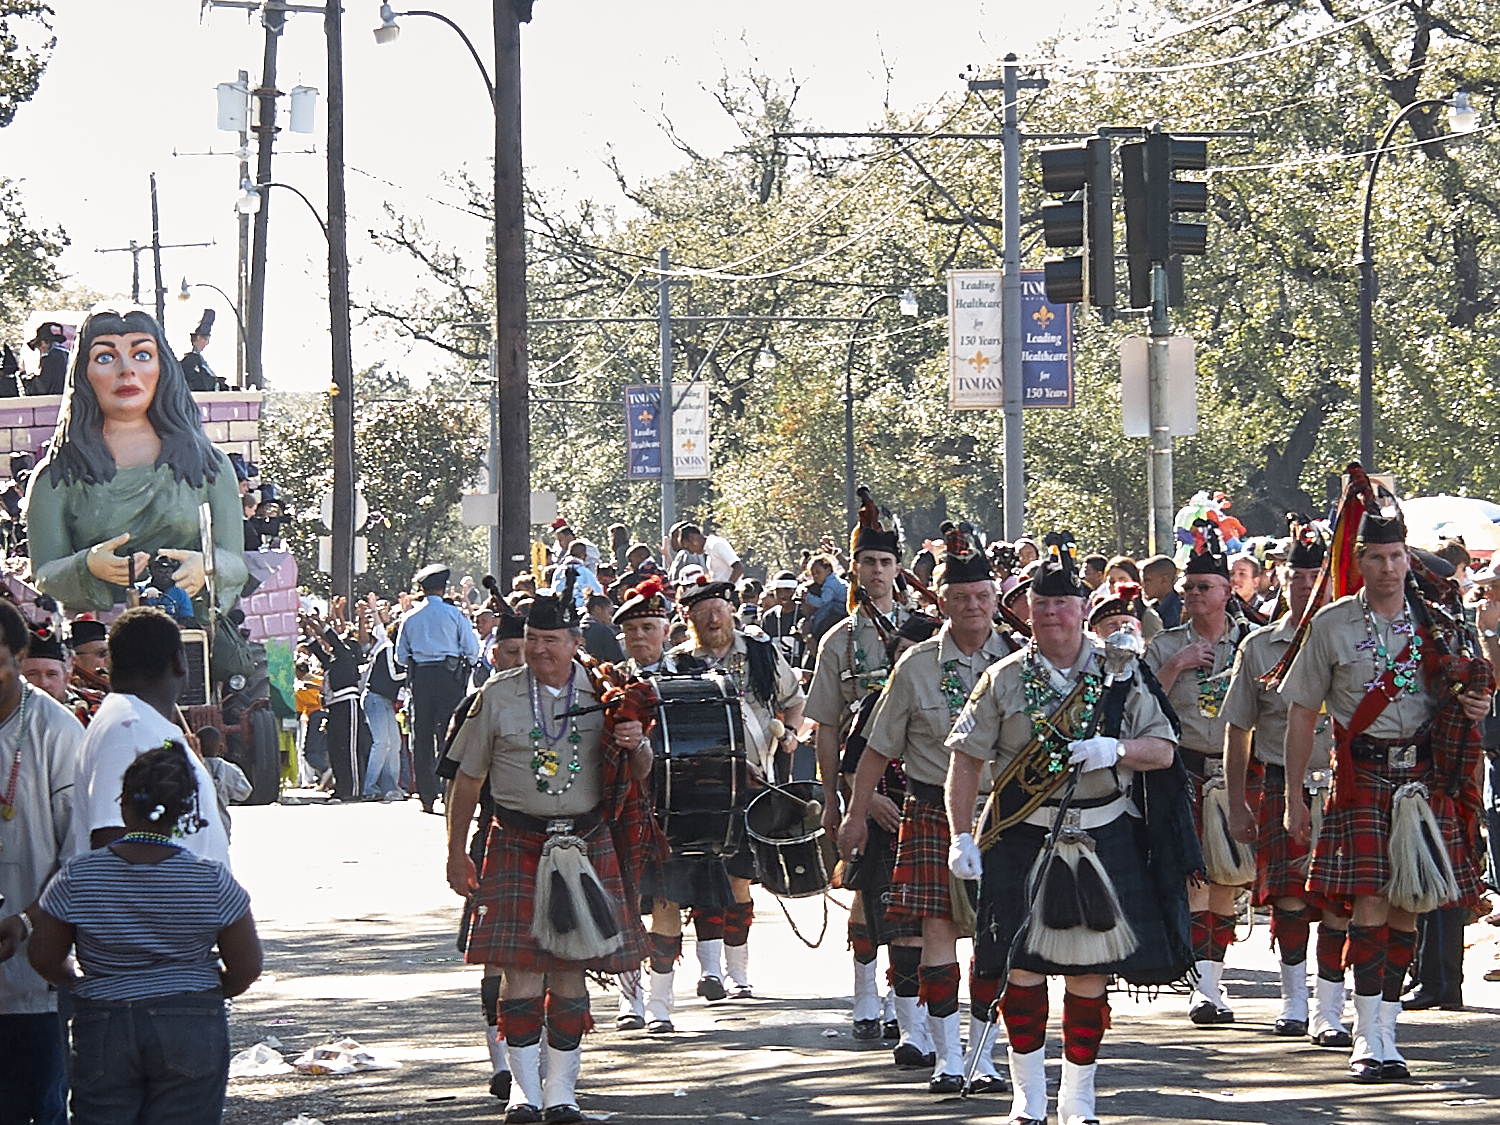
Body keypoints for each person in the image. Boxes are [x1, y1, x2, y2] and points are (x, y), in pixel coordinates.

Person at [945, 534, 1189, 1125]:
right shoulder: (1003, 678)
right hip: (1024, 835)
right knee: (1020, 965)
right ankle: (1028, 1097)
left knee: (1089, 973)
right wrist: (961, 835)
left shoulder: (1123, 675)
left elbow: (1164, 749)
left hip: (1105, 834)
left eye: (1064, 603)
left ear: (1084, 609)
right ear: (1026, 610)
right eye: (1041, 603)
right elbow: (967, 759)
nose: (1052, 613)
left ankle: (1079, 1098)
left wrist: (1117, 748)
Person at [1280, 477, 1489, 1082]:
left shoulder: (1440, 621)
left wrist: (1474, 706)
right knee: (1368, 902)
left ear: (1407, 558)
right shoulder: (1331, 624)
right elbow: (1301, 714)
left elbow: (1469, 690)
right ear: (1359, 561)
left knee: (1408, 907)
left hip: (1425, 777)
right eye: (1376, 556)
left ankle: (1387, 1032)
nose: (1389, 567)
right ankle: (1366, 1039)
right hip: (1363, 777)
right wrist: (1294, 796)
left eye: (1397, 556)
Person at [444, 584, 652, 1124]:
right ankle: (523, 1092)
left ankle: (561, 1093)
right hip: (515, 840)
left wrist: (637, 742)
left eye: (551, 640)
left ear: (574, 641)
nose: (539, 650)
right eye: (532, 639)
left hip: (584, 842)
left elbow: (642, 771)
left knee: (569, 974)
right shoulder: (497, 694)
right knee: (520, 972)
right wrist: (455, 852)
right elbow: (467, 782)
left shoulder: (608, 692)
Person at [841, 522, 1014, 1094]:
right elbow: (874, 751)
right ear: (941, 601)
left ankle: (985, 1057)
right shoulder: (914, 666)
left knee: (997, 938)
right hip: (932, 813)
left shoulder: (1016, 661)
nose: (972, 607)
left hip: (1005, 817)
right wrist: (854, 814)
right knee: (936, 933)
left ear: (996, 599)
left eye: (982, 597)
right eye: (960, 598)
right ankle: (947, 1057)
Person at [26, 743, 262, 1125]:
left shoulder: (78, 876)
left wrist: (77, 981)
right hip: (191, 1021)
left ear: (123, 807)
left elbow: (43, 956)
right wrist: (200, 988)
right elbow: (247, 966)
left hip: (104, 1022)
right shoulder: (212, 880)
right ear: (185, 813)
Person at [23, 308, 250, 682]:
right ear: (84, 373)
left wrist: (205, 566)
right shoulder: (56, 477)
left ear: (163, 367)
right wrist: (88, 566)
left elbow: (235, 562)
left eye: (141, 354)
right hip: (97, 651)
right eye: (106, 357)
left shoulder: (210, 467)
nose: (126, 370)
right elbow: (44, 573)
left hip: (189, 640)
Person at [1220, 521, 1351, 1046]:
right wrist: (1235, 803)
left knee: (1340, 902)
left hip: (1344, 784)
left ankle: (1331, 1009)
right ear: (1280, 577)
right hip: (1281, 784)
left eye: (1314, 574)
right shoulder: (1258, 646)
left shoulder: (1350, 638)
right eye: (1295, 574)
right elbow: (1238, 729)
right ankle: (1294, 1002)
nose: (1304, 584)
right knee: (1290, 901)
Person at [808, 494, 920, 1049]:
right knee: (866, 888)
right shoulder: (837, 640)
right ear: (853, 567)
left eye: (885, 563)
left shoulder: (926, 631)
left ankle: (912, 1006)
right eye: (867, 562)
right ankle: (864, 993)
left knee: (916, 898)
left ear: (898, 569)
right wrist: (838, 797)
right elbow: (828, 727)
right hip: (861, 781)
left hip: (920, 779)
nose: (876, 572)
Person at [666, 575, 806, 1001]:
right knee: (705, 873)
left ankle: (738, 973)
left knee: (741, 877)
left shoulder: (761, 653)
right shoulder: (678, 664)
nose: (712, 617)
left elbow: (794, 700)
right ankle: (709, 971)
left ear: (731, 609)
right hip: (700, 785)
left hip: (757, 782)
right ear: (688, 617)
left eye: (718, 608)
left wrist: (792, 733)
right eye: (701, 611)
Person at [1145, 524, 1255, 1024]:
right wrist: (1176, 665)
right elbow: (1138, 710)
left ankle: (1214, 977)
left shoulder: (1252, 644)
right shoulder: (1165, 645)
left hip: (1235, 771)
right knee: (1195, 877)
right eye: (1187, 588)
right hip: (1184, 770)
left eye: (1203, 587)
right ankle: (1202, 987)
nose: (1192, 594)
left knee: (1227, 879)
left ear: (1227, 592)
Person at [0, 600, 85, 1125]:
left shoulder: (57, 732)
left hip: (33, 978)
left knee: (38, 1107)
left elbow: (78, 859)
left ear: (19, 655)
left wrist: (27, 920)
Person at [73, 609, 232, 872]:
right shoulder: (127, 731)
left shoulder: (139, 722)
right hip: (165, 911)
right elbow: (110, 841)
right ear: (178, 662)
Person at [396, 563, 481, 815]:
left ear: (421, 589)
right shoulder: (455, 615)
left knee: (421, 736)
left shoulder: (410, 617)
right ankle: (448, 790)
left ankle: (426, 793)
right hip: (449, 677)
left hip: (421, 677)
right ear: (444, 588)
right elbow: (472, 651)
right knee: (450, 734)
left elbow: (401, 656)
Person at [361, 614, 408, 802]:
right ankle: (369, 788)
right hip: (374, 698)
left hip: (386, 701)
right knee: (381, 742)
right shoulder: (388, 649)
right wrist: (411, 673)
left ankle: (391, 787)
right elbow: (394, 675)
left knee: (394, 743)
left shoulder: (400, 653)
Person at [197, 725, 251, 841]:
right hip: (220, 826)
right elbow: (245, 791)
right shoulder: (228, 769)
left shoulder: (190, 767)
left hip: (196, 828)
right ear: (221, 748)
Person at [679, 524, 744, 585]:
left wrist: (728, 588)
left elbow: (738, 568)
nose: (691, 552)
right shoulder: (708, 550)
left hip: (733, 593)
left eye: (688, 547)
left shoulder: (716, 544)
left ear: (693, 539)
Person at [178, 310, 225, 393]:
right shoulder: (190, 361)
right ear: (197, 338)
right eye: (205, 339)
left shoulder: (199, 360)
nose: (206, 343)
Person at [25, 322, 68, 397]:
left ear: (45, 342)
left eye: (38, 345)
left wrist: (27, 382)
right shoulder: (68, 355)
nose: (39, 348)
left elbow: (42, 387)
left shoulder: (49, 358)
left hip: (53, 401)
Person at [1141, 554, 1182, 629]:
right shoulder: (1151, 607)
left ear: (1164, 580)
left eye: (1147, 580)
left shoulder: (1177, 612)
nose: (1143, 586)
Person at [581, 594, 625, 664]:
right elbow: (618, 660)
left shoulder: (578, 629)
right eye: (610, 613)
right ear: (598, 609)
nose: (611, 618)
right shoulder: (604, 631)